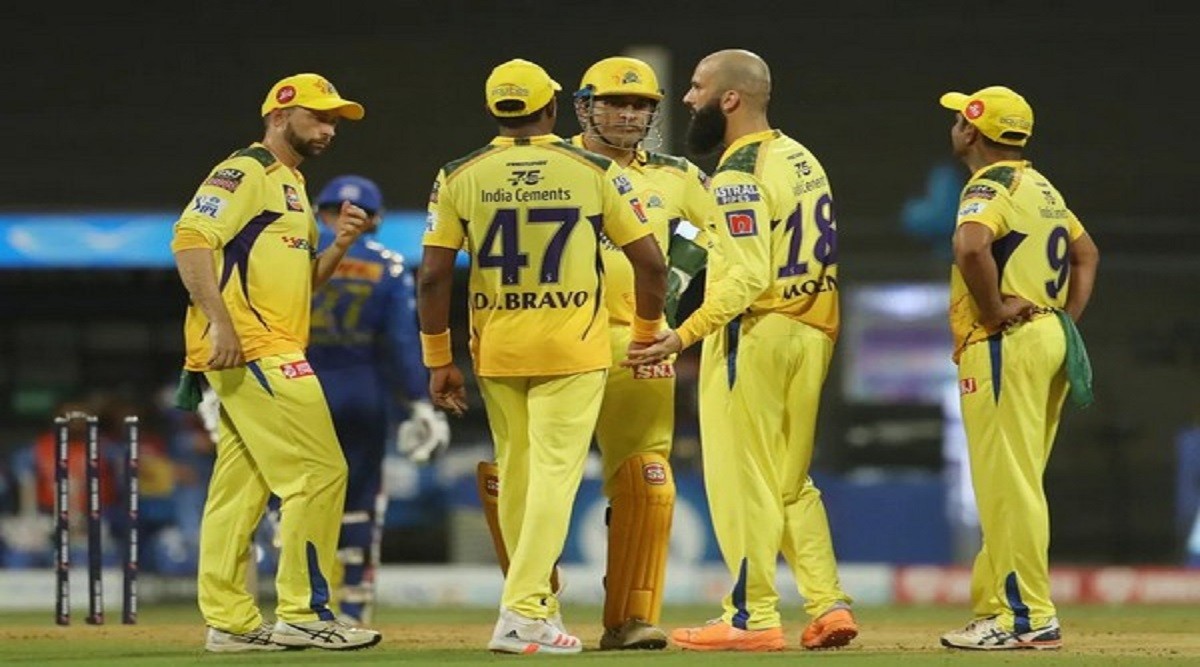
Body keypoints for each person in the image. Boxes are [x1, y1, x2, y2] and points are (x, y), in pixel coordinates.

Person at [417, 58, 667, 655]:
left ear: (493, 109)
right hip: (572, 347)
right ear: (553, 108)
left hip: (498, 349)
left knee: (519, 475)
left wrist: (437, 358)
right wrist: (645, 331)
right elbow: (652, 264)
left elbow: (432, 277)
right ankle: (525, 611)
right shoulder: (595, 170)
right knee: (555, 476)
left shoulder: (457, 174)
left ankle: (533, 606)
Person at [473, 55, 710, 651]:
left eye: (640, 106)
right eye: (614, 103)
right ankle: (535, 606)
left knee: (646, 476)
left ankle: (630, 619)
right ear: (583, 107)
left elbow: (723, 232)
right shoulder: (554, 165)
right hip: (553, 340)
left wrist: (678, 281)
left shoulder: (679, 175)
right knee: (524, 477)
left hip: (637, 342)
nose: (628, 115)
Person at [627, 49, 858, 652]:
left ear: (729, 98)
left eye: (697, 87)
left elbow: (748, 276)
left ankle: (750, 616)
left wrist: (681, 335)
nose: (687, 99)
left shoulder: (737, 173)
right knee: (789, 480)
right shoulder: (801, 157)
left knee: (740, 479)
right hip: (813, 329)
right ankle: (828, 603)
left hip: (755, 335)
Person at [170, 72, 381, 652]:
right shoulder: (246, 171)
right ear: (279, 115)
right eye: (319, 116)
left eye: (335, 120)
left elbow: (302, 284)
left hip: (266, 345)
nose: (329, 129)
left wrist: (339, 245)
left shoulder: (292, 185)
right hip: (256, 348)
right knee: (320, 473)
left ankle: (230, 622)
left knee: (242, 490)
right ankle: (305, 612)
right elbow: (190, 240)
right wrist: (219, 322)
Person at [934, 85, 1099, 650]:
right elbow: (1086, 253)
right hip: (1048, 338)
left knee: (1009, 485)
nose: (955, 127)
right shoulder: (1040, 186)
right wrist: (1062, 318)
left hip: (1005, 343)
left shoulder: (989, 185)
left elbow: (970, 247)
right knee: (1014, 482)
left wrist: (993, 310)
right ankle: (997, 608)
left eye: (960, 119)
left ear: (971, 131)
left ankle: (1027, 616)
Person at [306, 174, 450, 624]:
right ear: (377, 219)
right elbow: (401, 341)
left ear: (319, 211)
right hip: (361, 390)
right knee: (362, 496)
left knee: (298, 497)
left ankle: (306, 602)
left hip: (299, 386)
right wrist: (419, 401)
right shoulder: (387, 266)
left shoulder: (297, 256)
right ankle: (353, 604)